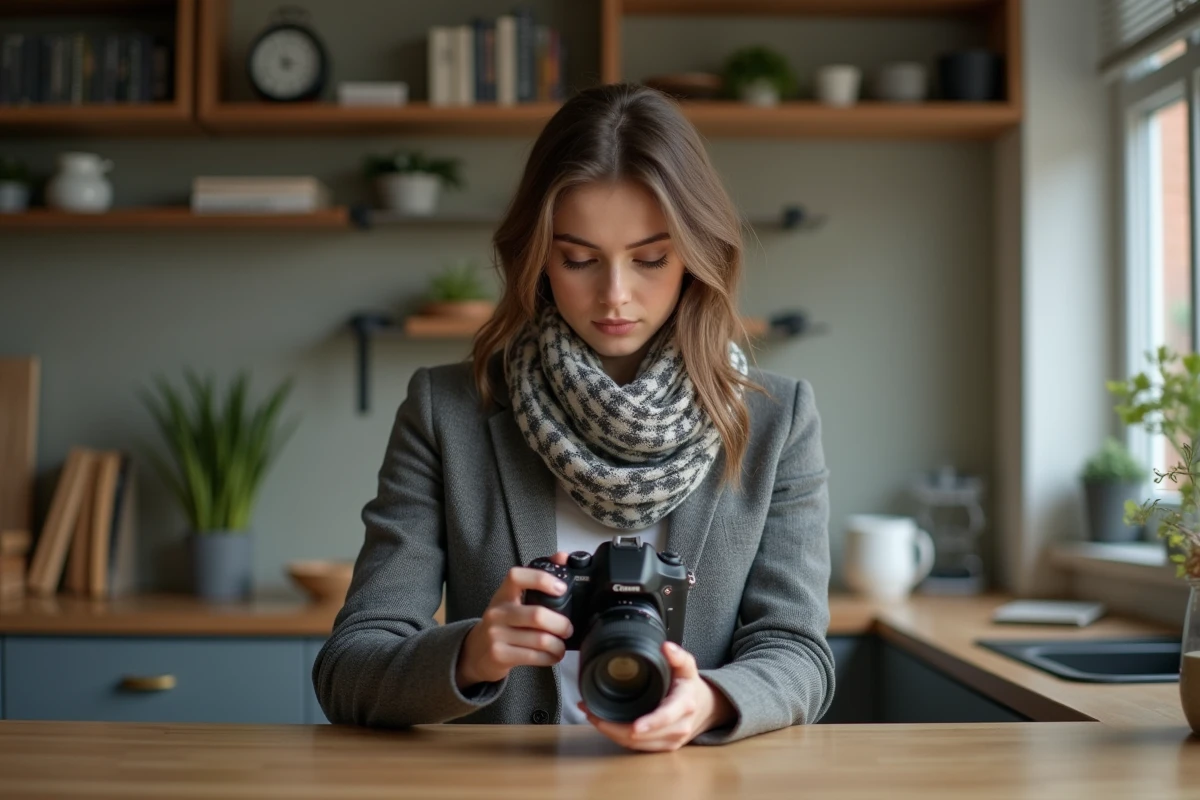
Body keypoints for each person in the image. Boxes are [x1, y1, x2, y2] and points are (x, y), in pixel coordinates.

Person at [313, 82, 834, 751]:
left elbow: (799, 655)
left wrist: (710, 702)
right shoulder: (447, 412)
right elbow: (347, 669)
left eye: (650, 258)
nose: (615, 295)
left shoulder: (778, 420)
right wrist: (471, 653)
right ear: (536, 257)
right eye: (578, 259)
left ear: (697, 256)